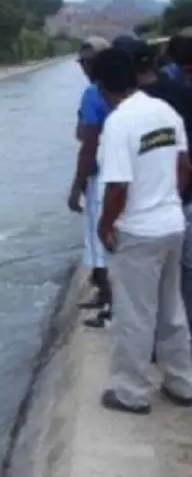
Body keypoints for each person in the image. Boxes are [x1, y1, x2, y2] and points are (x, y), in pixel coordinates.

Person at [91, 46, 192, 414]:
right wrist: (168, 199)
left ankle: (131, 393)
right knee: (172, 310)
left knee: (134, 315)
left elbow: (117, 187)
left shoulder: (119, 123)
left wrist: (105, 226)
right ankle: (182, 382)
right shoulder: (164, 111)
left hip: (138, 234)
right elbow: (184, 165)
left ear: (101, 85)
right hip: (172, 225)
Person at [69, 36, 113, 328]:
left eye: (86, 63)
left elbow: (88, 144)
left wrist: (76, 187)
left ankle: (108, 305)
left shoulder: (93, 94)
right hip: (120, 175)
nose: (84, 68)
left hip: (101, 176)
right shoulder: (127, 92)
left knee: (101, 242)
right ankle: (105, 298)